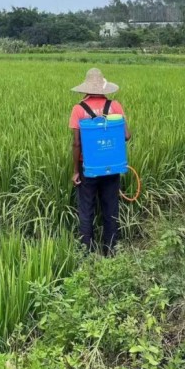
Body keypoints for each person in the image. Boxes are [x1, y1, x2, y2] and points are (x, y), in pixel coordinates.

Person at [69, 68, 131, 255]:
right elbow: (127, 135)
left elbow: (76, 142)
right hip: (112, 166)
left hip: (88, 167)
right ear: (104, 88)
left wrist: (75, 170)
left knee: (86, 209)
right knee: (111, 208)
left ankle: (86, 254)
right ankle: (111, 252)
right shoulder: (115, 106)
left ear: (86, 88)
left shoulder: (79, 109)